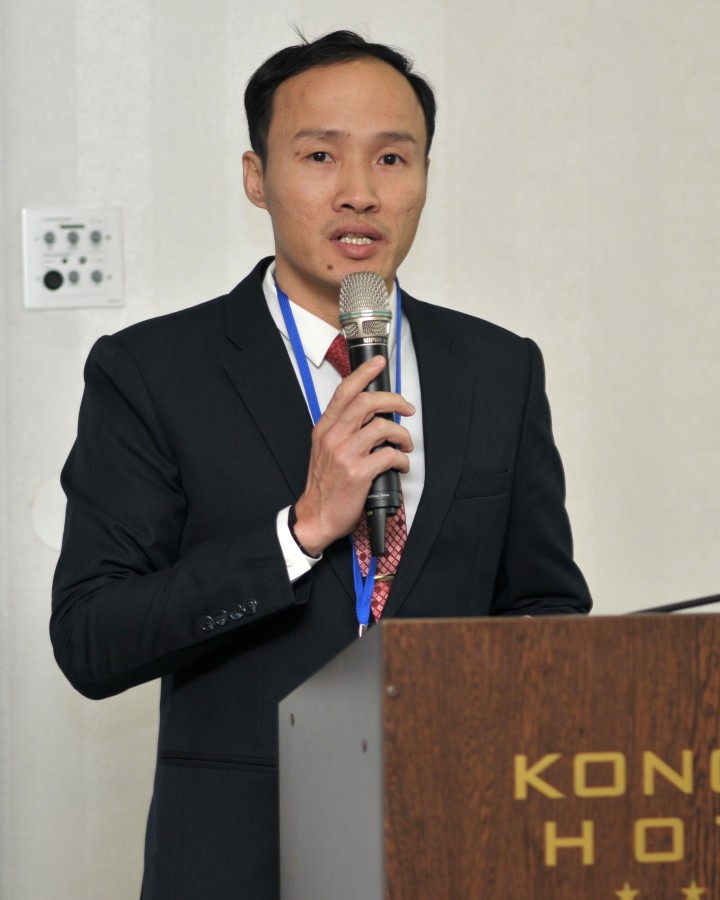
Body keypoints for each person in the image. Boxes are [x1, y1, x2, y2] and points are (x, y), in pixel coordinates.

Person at [51, 30, 591, 900]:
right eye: (319, 155)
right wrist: (299, 534)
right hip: (242, 857)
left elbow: (545, 606)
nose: (360, 192)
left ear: (424, 175)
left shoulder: (499, 368)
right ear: (256, 176)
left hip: (464, 840)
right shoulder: (152, 371)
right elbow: (91, 638)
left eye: (391, 157)